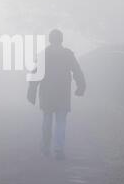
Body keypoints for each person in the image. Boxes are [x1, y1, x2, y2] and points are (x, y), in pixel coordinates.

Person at [27, 29, 85, 160]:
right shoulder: (68, 54)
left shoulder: (44, 55)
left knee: (47, 120)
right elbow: (77, 71)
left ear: (50, 39)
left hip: (47, 92)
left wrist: (32, 91)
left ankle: (45, 148)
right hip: (62, 92)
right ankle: (59, 149)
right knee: (61, 122)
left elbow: (35, 74)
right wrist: (81, 86)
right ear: (61, 39)